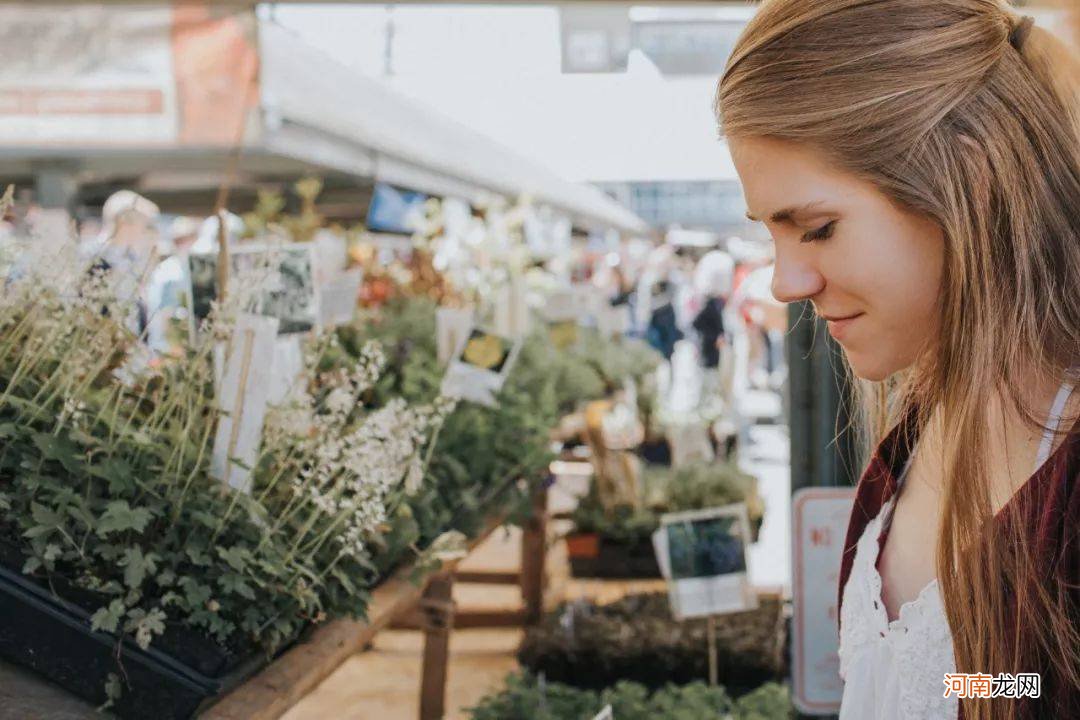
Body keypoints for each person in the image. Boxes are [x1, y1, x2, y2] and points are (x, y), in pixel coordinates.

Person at [716, 2, 1079, 719]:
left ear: (968, 179)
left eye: (817, 229)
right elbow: (1013, 686)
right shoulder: (924, 418)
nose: (785, 282)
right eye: (773, 234)